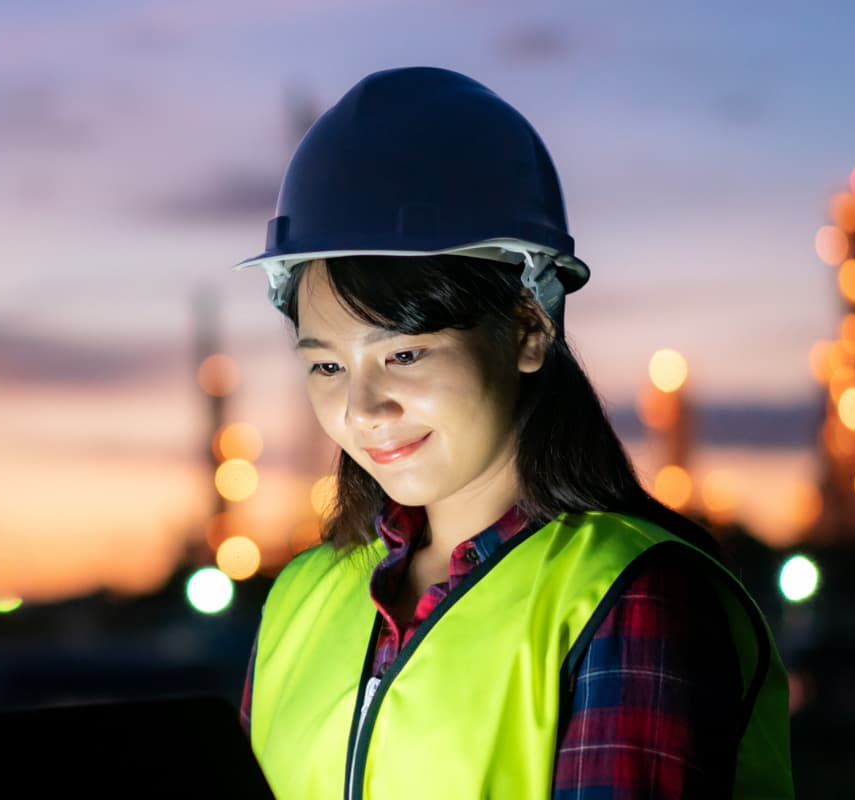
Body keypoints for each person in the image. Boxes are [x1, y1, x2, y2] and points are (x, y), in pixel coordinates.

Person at [231, 67, 793, 798]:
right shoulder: (301, 602)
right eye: (329, 366)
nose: (364, 409)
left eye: (403, 353)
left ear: (529, 329)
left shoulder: (625, 597)